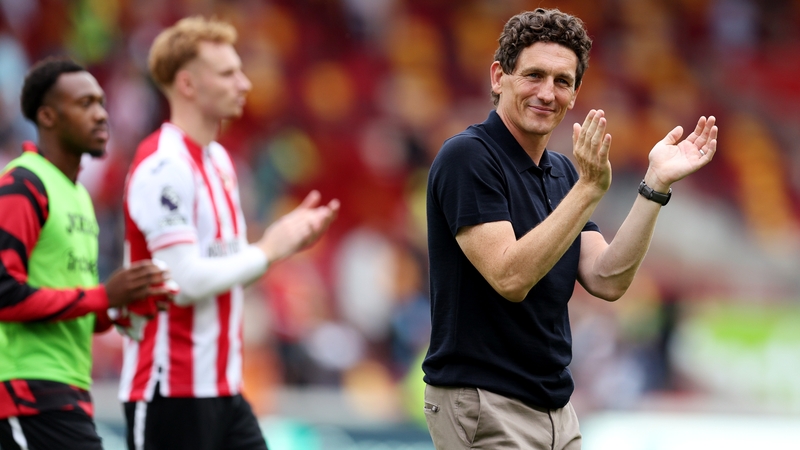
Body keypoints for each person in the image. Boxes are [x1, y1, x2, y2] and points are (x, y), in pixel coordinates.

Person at [422, 8, 717, 450]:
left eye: (562, 81)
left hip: (556, 408)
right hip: (485, 404)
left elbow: (606, 277)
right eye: (534, 75)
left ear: (576, 93)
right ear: (499, 76)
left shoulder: (561, 172)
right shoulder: (468, 157)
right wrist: (588, 190)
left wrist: (654, 186)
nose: (547, 92)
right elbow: (510, 277)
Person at [119, 16, 339, 450]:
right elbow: (182, 282)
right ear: (187, 84)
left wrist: (284, 243)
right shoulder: (164, 166)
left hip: (223, 390)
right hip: (169, 393)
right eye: (227, 73)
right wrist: (269, 249)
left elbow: (230, 269)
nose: (244, 83)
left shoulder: (219, 161)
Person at [0, 57, 170, 450]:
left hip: (66, 389)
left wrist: (117, 308)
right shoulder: (22, 185)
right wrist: (104, 296)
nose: (101, 116)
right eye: (85, 104)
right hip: (26, 390)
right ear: (47, 116)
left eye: (102, 103)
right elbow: (5, 294)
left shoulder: (78, 196)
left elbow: (75, 306)